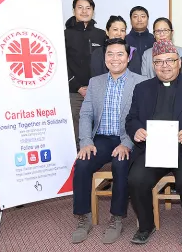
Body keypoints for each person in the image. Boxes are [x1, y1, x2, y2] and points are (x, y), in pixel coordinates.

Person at [126, 39, 182, 246]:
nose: (165, 66)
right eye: (159, 62)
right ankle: (145, 226)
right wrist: (136, 131)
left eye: (170, 61)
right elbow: (131, 119)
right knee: (136, 179)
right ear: (153, 65)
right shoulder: (142, 89)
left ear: (179, 62)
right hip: (153, 150)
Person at [71, 38, 146, 244]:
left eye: (120, 54)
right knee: (82, 163)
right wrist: (86, 141)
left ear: (128, 57)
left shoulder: (140, 82)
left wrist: (128, 143)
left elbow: (143, 119)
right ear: (104, 58)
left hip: (128, 138)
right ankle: (83, 217)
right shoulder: (96, 82)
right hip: (102, 138)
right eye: (110, 54)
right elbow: (85, 114)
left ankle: (117, 217)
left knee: (121, 164)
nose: (115, 58)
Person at [65, 0, 107, 149]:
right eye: (80, 7)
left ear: (93, 11)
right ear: (74, 10)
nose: (84, 11)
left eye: (88, 8)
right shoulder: (65, 34)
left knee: (98, 125)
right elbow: (61, 64)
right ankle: (78, 162)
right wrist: (77, 87)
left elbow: (106, 62)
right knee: (76, 127)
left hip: (97, 90)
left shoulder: (101, 34)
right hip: (74, 91)